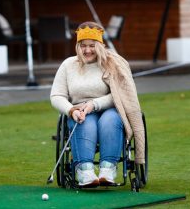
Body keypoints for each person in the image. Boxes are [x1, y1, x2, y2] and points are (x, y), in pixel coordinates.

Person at [50, 21, 145, 187]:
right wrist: (71, 110)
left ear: (100, 45)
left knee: (109, 120)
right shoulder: (68, 65)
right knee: (85, 122)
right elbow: (56, 95)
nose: (87, 50)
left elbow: (120, 94)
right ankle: (85, 172)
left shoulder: (112, 63)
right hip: (80, 111)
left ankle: (108, 170)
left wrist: (94, 104)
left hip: (110, 109)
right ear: (78, 46)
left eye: (92, 45)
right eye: (83, 45)